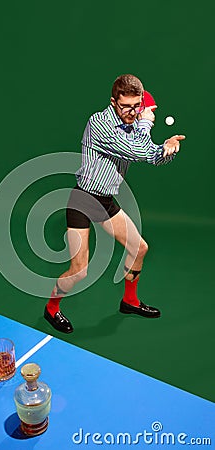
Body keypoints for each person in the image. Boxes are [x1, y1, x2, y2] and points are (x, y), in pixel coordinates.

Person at [44, 74, 185, 333]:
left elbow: (151, 156)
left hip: (105, 201)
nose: (131, 112)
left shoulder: (131, 124)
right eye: (125, 106)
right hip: (83, 199)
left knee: (139, 248)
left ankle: (129, 301)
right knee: (79, 271)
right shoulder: (100, 124)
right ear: (113, 102)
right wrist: (146, 125)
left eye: (136, 105)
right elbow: (139, 151)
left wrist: (167, 149)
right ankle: (51, 308)